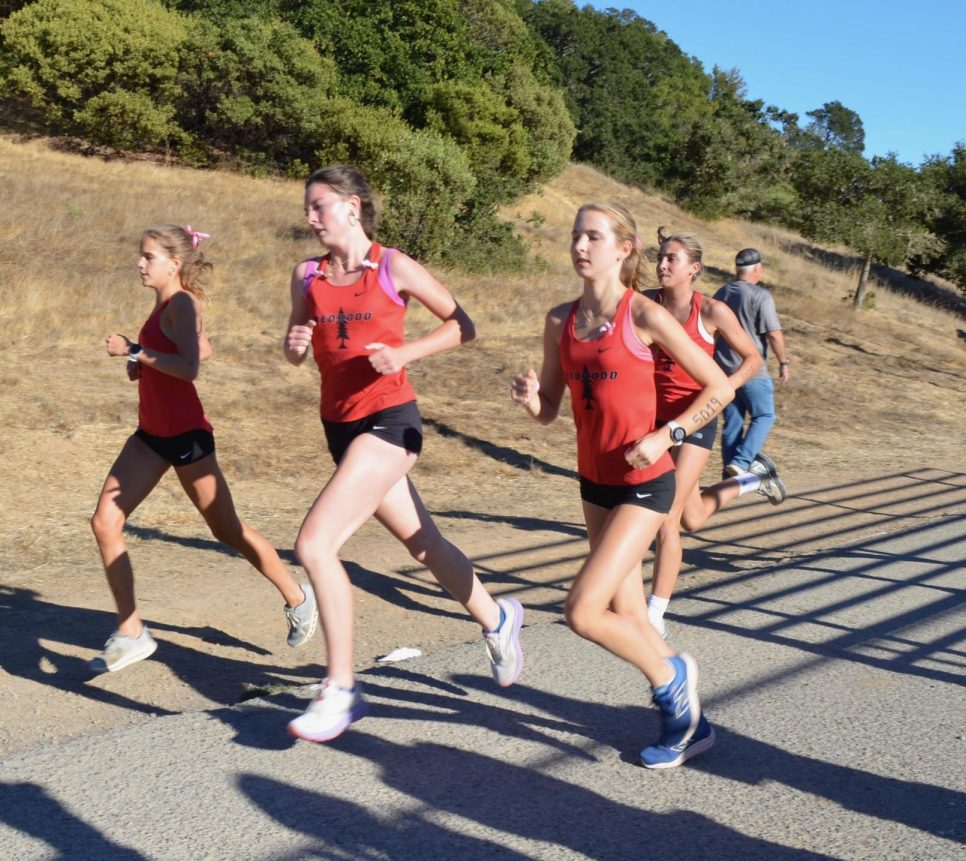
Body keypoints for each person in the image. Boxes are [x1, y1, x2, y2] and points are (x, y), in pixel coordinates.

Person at [283, 165, 523, 742]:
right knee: (424, 545)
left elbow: (462, 325)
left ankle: (340, 689)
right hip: (339, 427)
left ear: (353, 207)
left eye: (320, 206)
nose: (310, 218)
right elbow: (298, 344)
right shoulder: (306, 274)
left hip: (392, 421)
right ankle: (497, 618)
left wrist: (406, 352)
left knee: (314, 545)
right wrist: (293, 343)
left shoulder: (394, 266)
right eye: (308, 208)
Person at [510, 202, 733, 769]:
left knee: (583, 611)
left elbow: (719, 388)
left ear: (624, 248)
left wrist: (668, 435)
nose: (580, 246)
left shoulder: (645, 317)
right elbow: (551, 411)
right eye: (575, 236)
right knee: (628, 614)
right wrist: (532, 399)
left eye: (593, 237)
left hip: (645, 481)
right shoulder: (560, 320)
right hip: (595, 482)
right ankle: (692, 725)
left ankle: (671, 675)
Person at [91, 225, 318, 672]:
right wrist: (146, 364)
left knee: (227, 531)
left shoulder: (180, 302)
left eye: (149, 256)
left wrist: (135, 350)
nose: (140, 263)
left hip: (187, 437)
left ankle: (298, 596)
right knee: (104, 522)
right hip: (151, 434)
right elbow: (203, 348)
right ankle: (132, 630)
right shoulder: (169, 302)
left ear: (173, 263)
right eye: (141, 255)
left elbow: (191, 367)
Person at [644, 227, 784, 638]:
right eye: (660, 257)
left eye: (672, 258)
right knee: (693, 517)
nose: (663, 264)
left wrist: (724, 392)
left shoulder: (711, 311)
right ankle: (752, 480)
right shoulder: (646, 304)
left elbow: (751, 359)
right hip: (654, 421)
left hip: (697, 417)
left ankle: (654, 616)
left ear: (694, 269)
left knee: (666, 518)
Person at [713, 248, 790, 477]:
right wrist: (783, 362)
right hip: (752, 370)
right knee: (765, 415)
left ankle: (730, 475)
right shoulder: (760, 296)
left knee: (733, 422)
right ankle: (742, 460)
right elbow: (774, 334)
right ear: (757, 269)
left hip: (724, 371)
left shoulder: (721, 293)